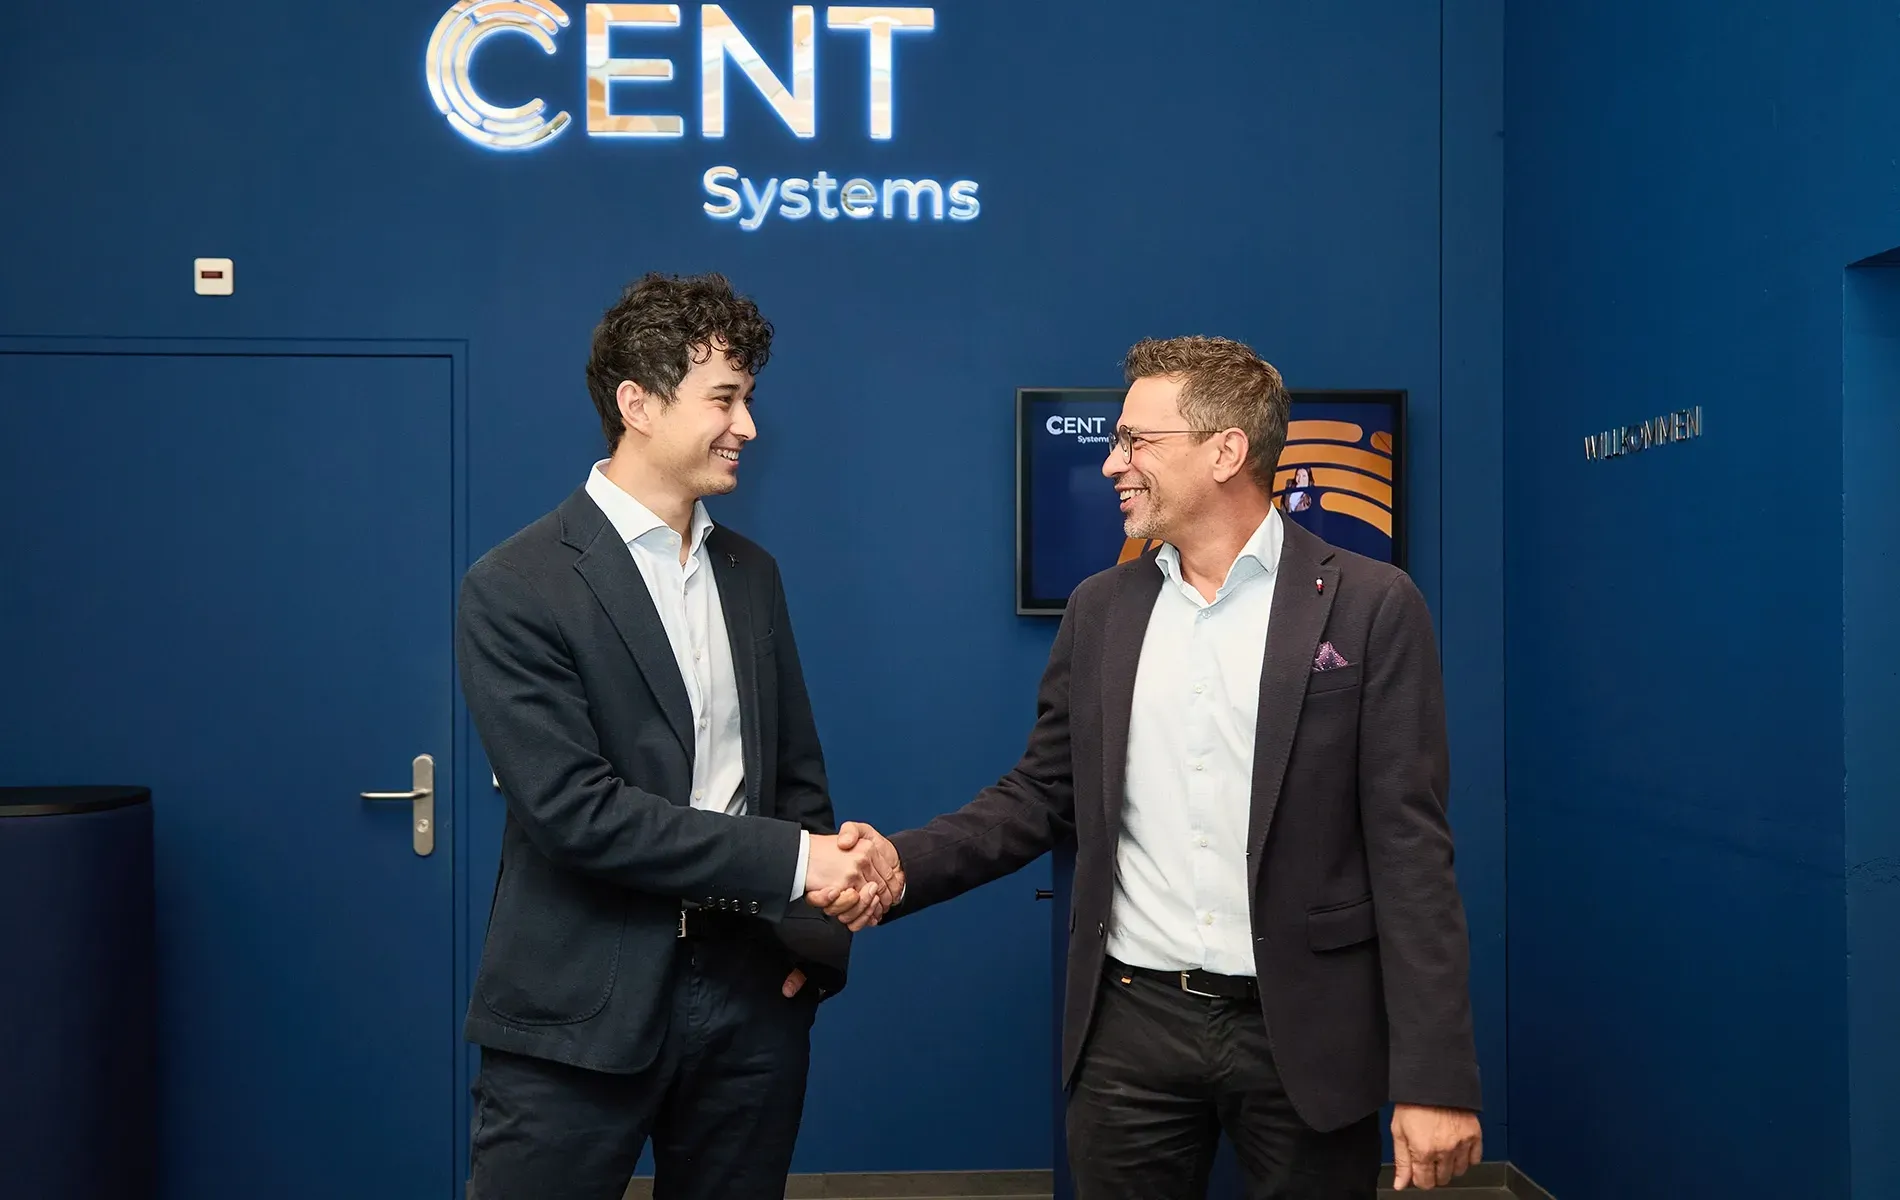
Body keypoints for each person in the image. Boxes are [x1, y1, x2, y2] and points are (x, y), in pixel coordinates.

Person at [822, 336, 1483, 1196]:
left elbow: (1411, 850)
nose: (1111, 465)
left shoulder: (1370, 605)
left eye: (1135, 441)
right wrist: (900, 863)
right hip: (1131, 1030)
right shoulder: (1103, 608)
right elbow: (1041, 793)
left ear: (1225, 451)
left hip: (1306, 1034)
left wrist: (1434, 1077)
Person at [456, 271, 897, 1200]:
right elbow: (578, 815)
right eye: (725, 399)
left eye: (748, 400)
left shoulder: (750, 572)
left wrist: (806, 939)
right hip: (577, 1009)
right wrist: (798, 864)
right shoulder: (517, 584)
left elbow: (795, 776)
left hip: (749, 1003)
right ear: (637, 404)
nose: (747, 426)